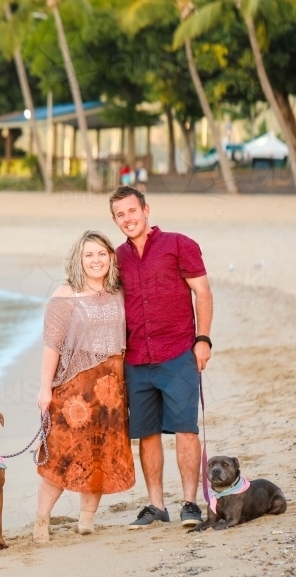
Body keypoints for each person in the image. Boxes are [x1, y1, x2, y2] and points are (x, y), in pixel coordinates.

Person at [109, 185, 213, 528]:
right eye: (120, 214)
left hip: (178, 352)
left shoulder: (179, 244)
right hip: (136, 358)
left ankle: (189, 503)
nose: (128, 219)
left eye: (132, 211)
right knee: (147, 432)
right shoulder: (116, 258)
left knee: (185, 429)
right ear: (115, 220)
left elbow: (202, 291)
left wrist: (203, 339)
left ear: (146, 210)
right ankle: (156, 506)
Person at [34, 231, 134, 543]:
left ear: (111, 257)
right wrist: (44, 389)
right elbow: (52, 346)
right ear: (79, 259)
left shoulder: (120, 293)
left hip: (112, 387)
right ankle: (41, 520)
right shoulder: (66, 294)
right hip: (74, 387)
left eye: (102, 254)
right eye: (89, 255)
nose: (96, 260)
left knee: (99, 454)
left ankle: (87, 518)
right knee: (62, 455)